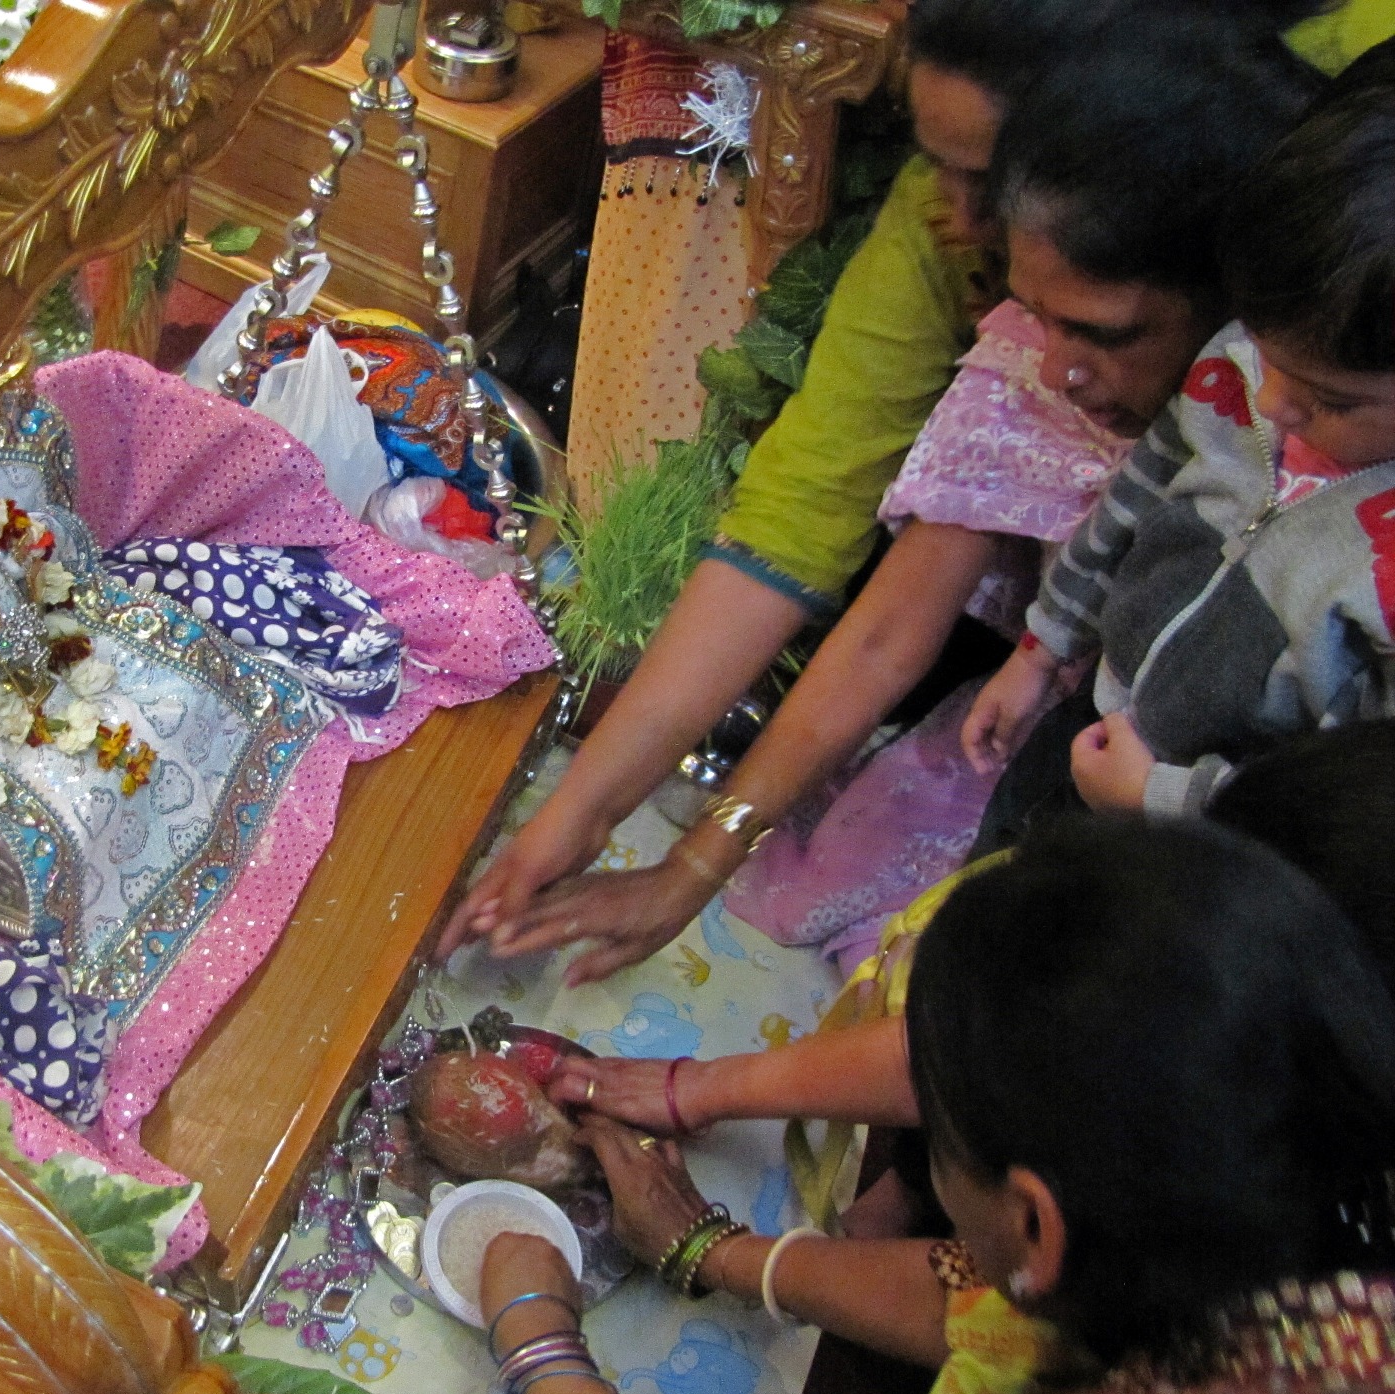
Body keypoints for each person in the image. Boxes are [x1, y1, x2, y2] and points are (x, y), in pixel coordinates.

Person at [440, 0, 1340, 985]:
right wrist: (593, 818)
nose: (957, 217)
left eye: (984, 177)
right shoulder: (1034, 336)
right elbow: (821, 546)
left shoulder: (1307, 406)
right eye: (935, 165)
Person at [479, 819, 1395, 1394]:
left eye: (935, 1138)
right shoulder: (1284, 1242)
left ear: (1035, 1226)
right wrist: (710, 1249)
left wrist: (541, 1344)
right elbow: (1005, 1312)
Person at [962, 39, 1395, 833]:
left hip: (1211, 837)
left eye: (1331, 399)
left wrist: (1163, 799)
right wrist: (1041, 650)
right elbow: (1130, 507)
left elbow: (1342, 796)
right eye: (1260, 352)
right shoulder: (1247, 361)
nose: (1271, 402)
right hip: (1094, 719)